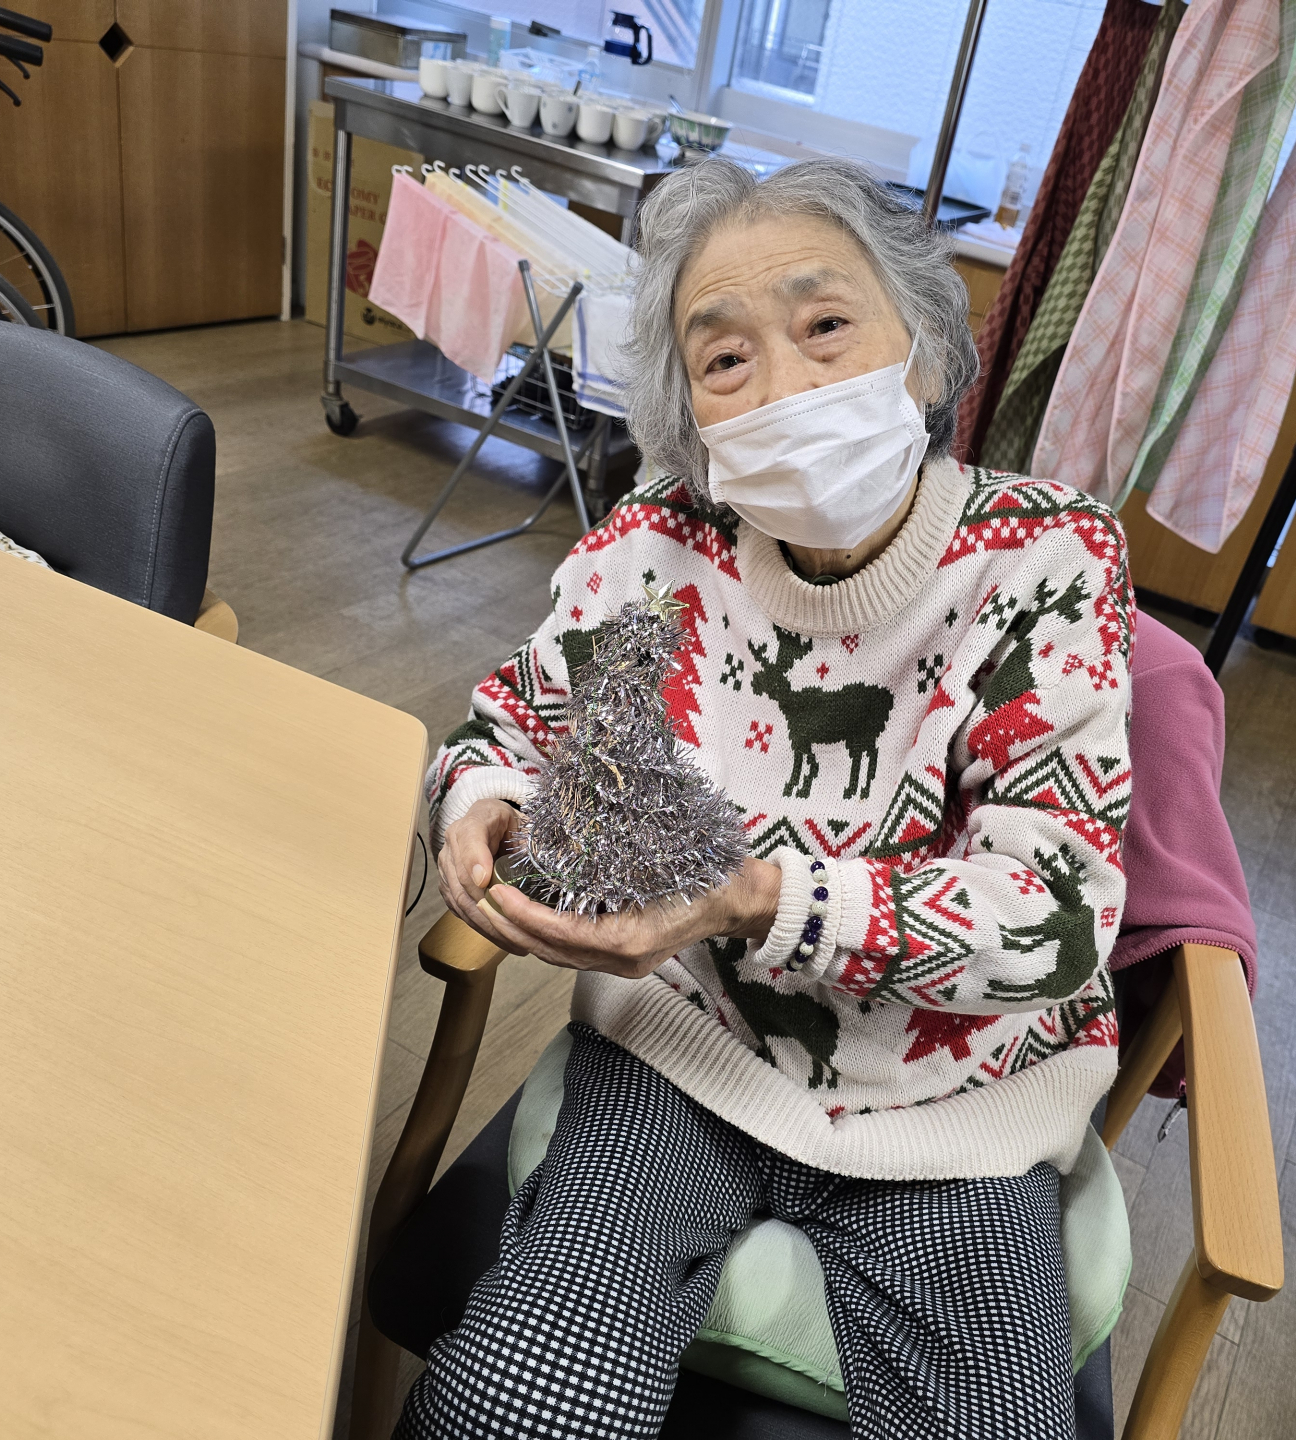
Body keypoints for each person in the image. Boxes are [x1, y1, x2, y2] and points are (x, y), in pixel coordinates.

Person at [404, 155, 1134, 1440]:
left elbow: (1056, 913)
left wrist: (753, 899)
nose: (785, 384)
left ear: (924, 353)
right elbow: (513, 723)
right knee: (507, 1406)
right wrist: (479, 807)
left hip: (955, 1106)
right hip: (686, 1056)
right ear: (689, 414)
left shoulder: (1046, 561)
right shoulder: (658, 542)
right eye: (726, 357)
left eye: (826, 325)